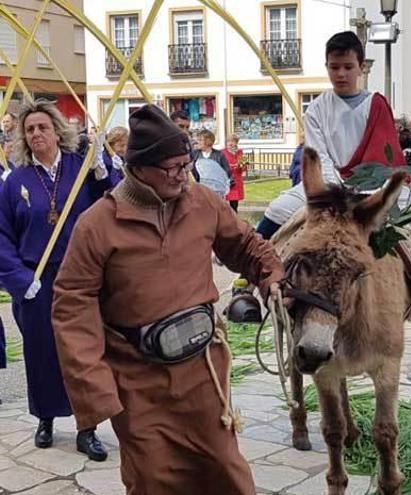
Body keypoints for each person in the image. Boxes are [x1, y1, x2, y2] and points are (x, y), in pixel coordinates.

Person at [52, 104, 284, 494]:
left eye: (187, 163)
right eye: (173, 167)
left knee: (226, 472)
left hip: (202, 372)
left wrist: (271, 276)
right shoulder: (97, 226)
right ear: (139, 168)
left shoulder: (203, 203)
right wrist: (96, 391)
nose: (184, 175)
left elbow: (244, 244)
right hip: (138, 380)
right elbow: (72, 307)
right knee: (153, 479)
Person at [258, 31, 411, 341]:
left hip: (374, 184)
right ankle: (245, 286)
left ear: (360, 67)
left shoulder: (376, 103)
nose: (340, 73)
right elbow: (317, 155)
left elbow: (384, 153)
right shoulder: (316, 109)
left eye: (347, 67)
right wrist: (337, 191)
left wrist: (366, 189)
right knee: (276, 209)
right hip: (328, 188)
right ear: (327, 67)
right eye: (334, 66)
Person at [0, 99, 111, 459]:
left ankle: (87, 426)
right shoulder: (15, 180)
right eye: (29, 129)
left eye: (42, 127)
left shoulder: (81, 169)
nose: (35, 134)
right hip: (36, 280)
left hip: (78, 276)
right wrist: (19, 279)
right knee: (41, 352)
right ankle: (45, 418)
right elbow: (1, 235)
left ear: (57, 130)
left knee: (83, 352)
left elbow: (112, 207)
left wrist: (104, 174)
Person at [192, 129, 232, 199]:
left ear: (208, 141)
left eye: (200, 140)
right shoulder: (194, 154)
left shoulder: (219, 155)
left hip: (216, 192)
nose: (198, 142)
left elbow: (227, 172)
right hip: (199, 191)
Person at [224, 133, 246, 212]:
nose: (231, 143)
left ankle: (234, 221)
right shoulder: (222, 152)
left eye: (233, 141)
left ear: (236, 143)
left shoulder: (240, 152)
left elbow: (244, 167)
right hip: (225, 180)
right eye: (229, 141)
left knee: (234, 205)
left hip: (236, 181)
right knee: (223, 204)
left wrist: (240, 164)